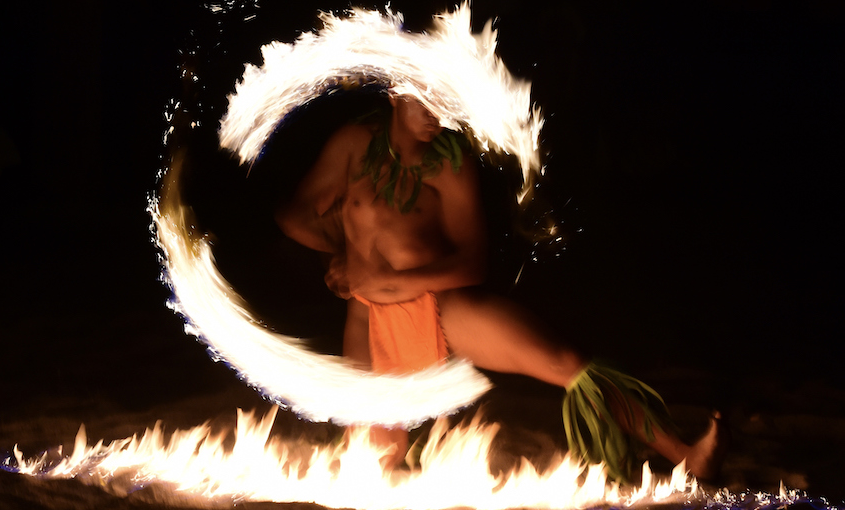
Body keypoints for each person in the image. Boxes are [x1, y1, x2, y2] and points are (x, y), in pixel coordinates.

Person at [276, 92, 726, 481]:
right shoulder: (353, 146)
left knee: (566, 363)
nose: (437, 112)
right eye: (425, 98)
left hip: (444, 311)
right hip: (369, 323)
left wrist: (390, 279)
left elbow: (472, 264)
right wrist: (336, 256)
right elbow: (296, 215)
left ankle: (686, 454)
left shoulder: (451, 166)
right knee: (376, 458)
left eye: (444, 101)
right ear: (395, 92)